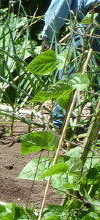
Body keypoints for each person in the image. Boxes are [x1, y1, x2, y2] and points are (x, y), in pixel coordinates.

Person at [41, 0, 100, 130]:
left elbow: (55, 14)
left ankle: (59, 123)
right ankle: (96, 128)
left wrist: (48, 39)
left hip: (93, 20)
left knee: (68, 70)